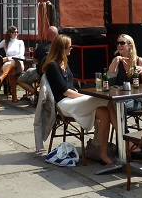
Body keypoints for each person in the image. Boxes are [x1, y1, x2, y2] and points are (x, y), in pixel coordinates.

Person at [43, 34, 117, 166]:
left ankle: (102, 153)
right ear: (61, 48)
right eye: (69, 47)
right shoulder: (52, 66)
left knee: (104, 112)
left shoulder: (64, 63)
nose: (71, 49)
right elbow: (65, 91)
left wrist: (81, 95)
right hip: (64, 103)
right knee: (107, 101)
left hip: (72, 99)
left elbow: (71, 87)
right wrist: (85, 97)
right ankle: (125, 140)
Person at [18, 26, 58, 98]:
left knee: (20, 80)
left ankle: (36, 93)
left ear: (47, 35)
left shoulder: (41, 47)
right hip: (56, 74)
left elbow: (34, 60)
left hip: (41, 74)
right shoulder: (60, 48)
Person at [0, 25, 25, 102]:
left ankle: (2, 76)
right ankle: (14, 97)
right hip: (8, 64)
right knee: (11, 71)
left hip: (18, 62)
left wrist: (9, 58)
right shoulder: (5, 42)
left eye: (17, 32)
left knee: (13, 61)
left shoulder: (20, 42)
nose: (15, 33)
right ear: (9, 33)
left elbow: (21, 55)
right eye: (13, 32)